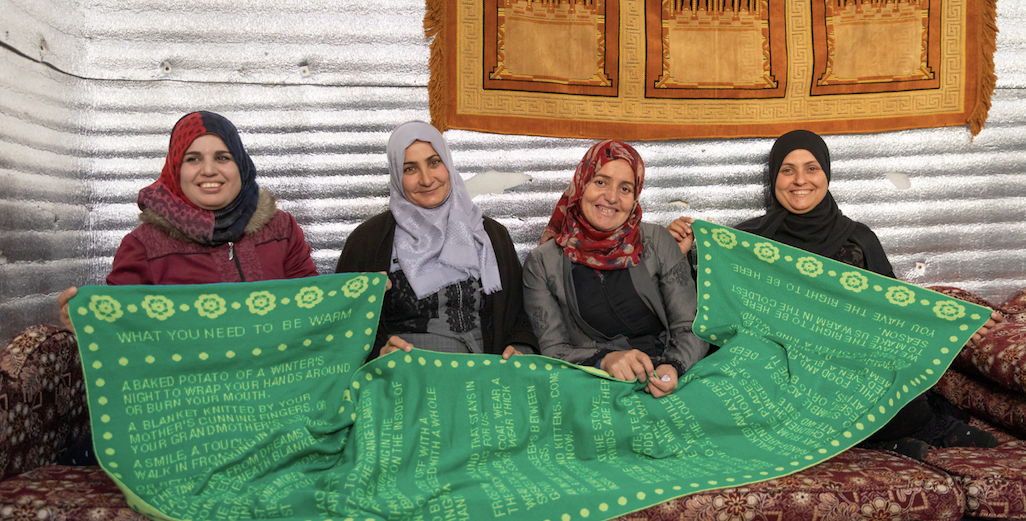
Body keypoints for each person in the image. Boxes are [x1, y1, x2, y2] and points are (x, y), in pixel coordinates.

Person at [669, 129, 1000, 457]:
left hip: (845, 366)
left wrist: (956, 319)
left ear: (826, 174)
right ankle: (877, 437)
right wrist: (681, 256)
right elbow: (714, 304)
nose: (800, 180)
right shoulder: (748, 242)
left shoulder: (859, 239)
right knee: (727, 395)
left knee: (889, 386)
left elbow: (896, 307)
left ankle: (889, 433)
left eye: (811, 168)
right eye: (787, 170)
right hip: (776, 371)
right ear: (774, 179)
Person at [57, 110, 319, 462]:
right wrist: (88, 324)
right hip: (183, 419)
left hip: (275, 406)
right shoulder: (144, 244)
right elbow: (122, 330)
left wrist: (359, 302)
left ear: (240, 164)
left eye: (222, 157)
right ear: (175, 169)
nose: (209, 170)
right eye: (193, 159)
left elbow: (314, 309)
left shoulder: (282, 230)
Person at [335, 121, 536, 361]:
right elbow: (344, 323)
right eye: (410, 169)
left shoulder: (491, 235)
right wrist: (379, 353)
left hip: (485, 373)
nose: (427, 179)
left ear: (448, 163)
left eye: (434, 162)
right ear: (396, 176)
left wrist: (520, 346)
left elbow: (518, 313)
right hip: (407, 378)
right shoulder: (368, 241)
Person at [522, 140, 707, 398]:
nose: (611, 197)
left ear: (635, 197)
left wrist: (673, 366)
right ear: (581, 184)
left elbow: (691, 324)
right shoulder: (542, 263)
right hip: (591, 384)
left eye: (625, 188)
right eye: (600, 181)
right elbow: (553, 349)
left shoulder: (657, 242)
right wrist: (605, 361)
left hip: (669, 378)